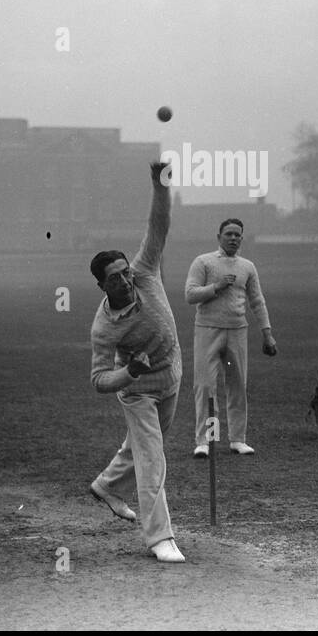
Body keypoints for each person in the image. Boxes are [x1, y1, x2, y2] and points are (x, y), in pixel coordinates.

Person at [87, 161, 186, 563]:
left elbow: (158, 226)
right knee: (151, 457)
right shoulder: (104, 327)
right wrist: (130, 372)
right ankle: (160, 537)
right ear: (101, 285)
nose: (125, 281)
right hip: (137, 391)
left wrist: (159, 183)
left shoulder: (145, 271)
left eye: (126, 273)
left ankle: (108, 487)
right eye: (115, 278)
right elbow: (98, 379)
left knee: (146, 447)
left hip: (172, 375)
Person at [185, 218, 277, 457]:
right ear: (219, 237)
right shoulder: (203, 262)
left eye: (238, 235)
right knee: (205, 385)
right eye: (229, 234)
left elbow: (257, 301)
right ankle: (203, 442)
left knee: (237, 385)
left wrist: (267, 334)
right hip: (207, 329)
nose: (233, 238)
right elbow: (190, 294)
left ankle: (238, 439)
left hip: (237, 331)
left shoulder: (247, 266)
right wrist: (215, 287)